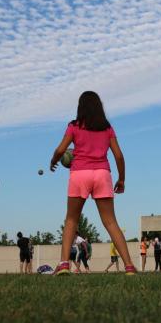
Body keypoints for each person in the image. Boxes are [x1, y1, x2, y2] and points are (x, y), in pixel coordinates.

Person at [49, 91, 136, 276]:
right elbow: (119, 155)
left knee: (71, 220)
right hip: (102, 174)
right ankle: (129, 267)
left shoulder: (74, 126)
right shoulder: (107, 128)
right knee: (111, 222)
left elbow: (61, 149)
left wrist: (53, 161)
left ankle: (64, 265)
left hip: (80, 174)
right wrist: (122, 179)